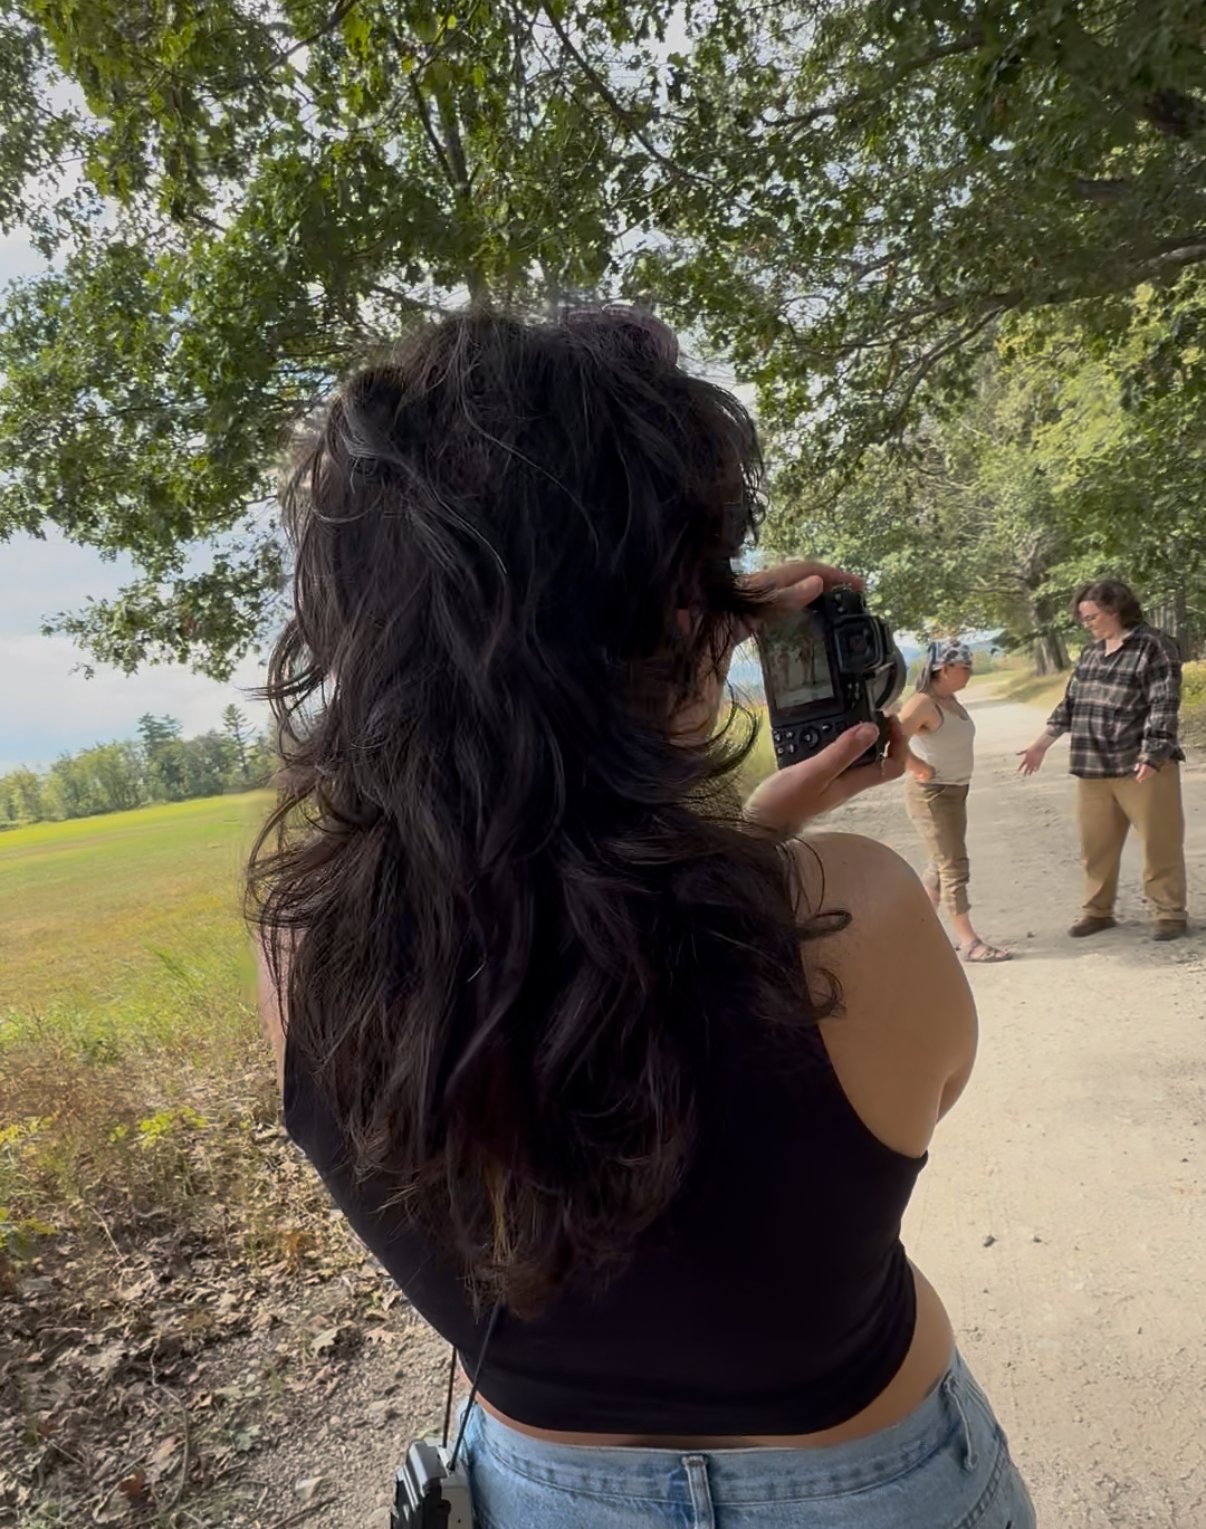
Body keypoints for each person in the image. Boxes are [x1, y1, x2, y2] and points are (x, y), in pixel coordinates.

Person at [249, 310, 1034, 1529]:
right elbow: (878, 1068)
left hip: (535, 1492)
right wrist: (729, 793)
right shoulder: (852, 911)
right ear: (682, 604)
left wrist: (735, 795)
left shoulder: (301, 951)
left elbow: (549, 935)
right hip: (875, 1484)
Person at [1018, 578, 1187, 941]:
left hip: (1140, 765)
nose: (1086, 623)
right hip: (1092, 766)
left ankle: (1169, 914)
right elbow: (1071, 704)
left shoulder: (1154, 646)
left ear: (1114, 610)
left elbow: (1164, 703)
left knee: (1160, 844)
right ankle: (1097, 911)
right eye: (1083, 617)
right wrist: (1041, 744)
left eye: (1091, 616)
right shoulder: (1091, 652)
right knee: (1095, 848)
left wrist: (1153, 752)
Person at [900, 640, 1010, 964]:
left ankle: (912, 934)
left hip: (955, 792)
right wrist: (916, 766)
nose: (970, 673)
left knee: (939, 865)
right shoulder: (923, 702)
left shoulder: (949, 700)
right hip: (932, 794)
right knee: (953, 867)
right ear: (944, 669)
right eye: (966, 667)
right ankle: (969, 942)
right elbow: (892, 737)